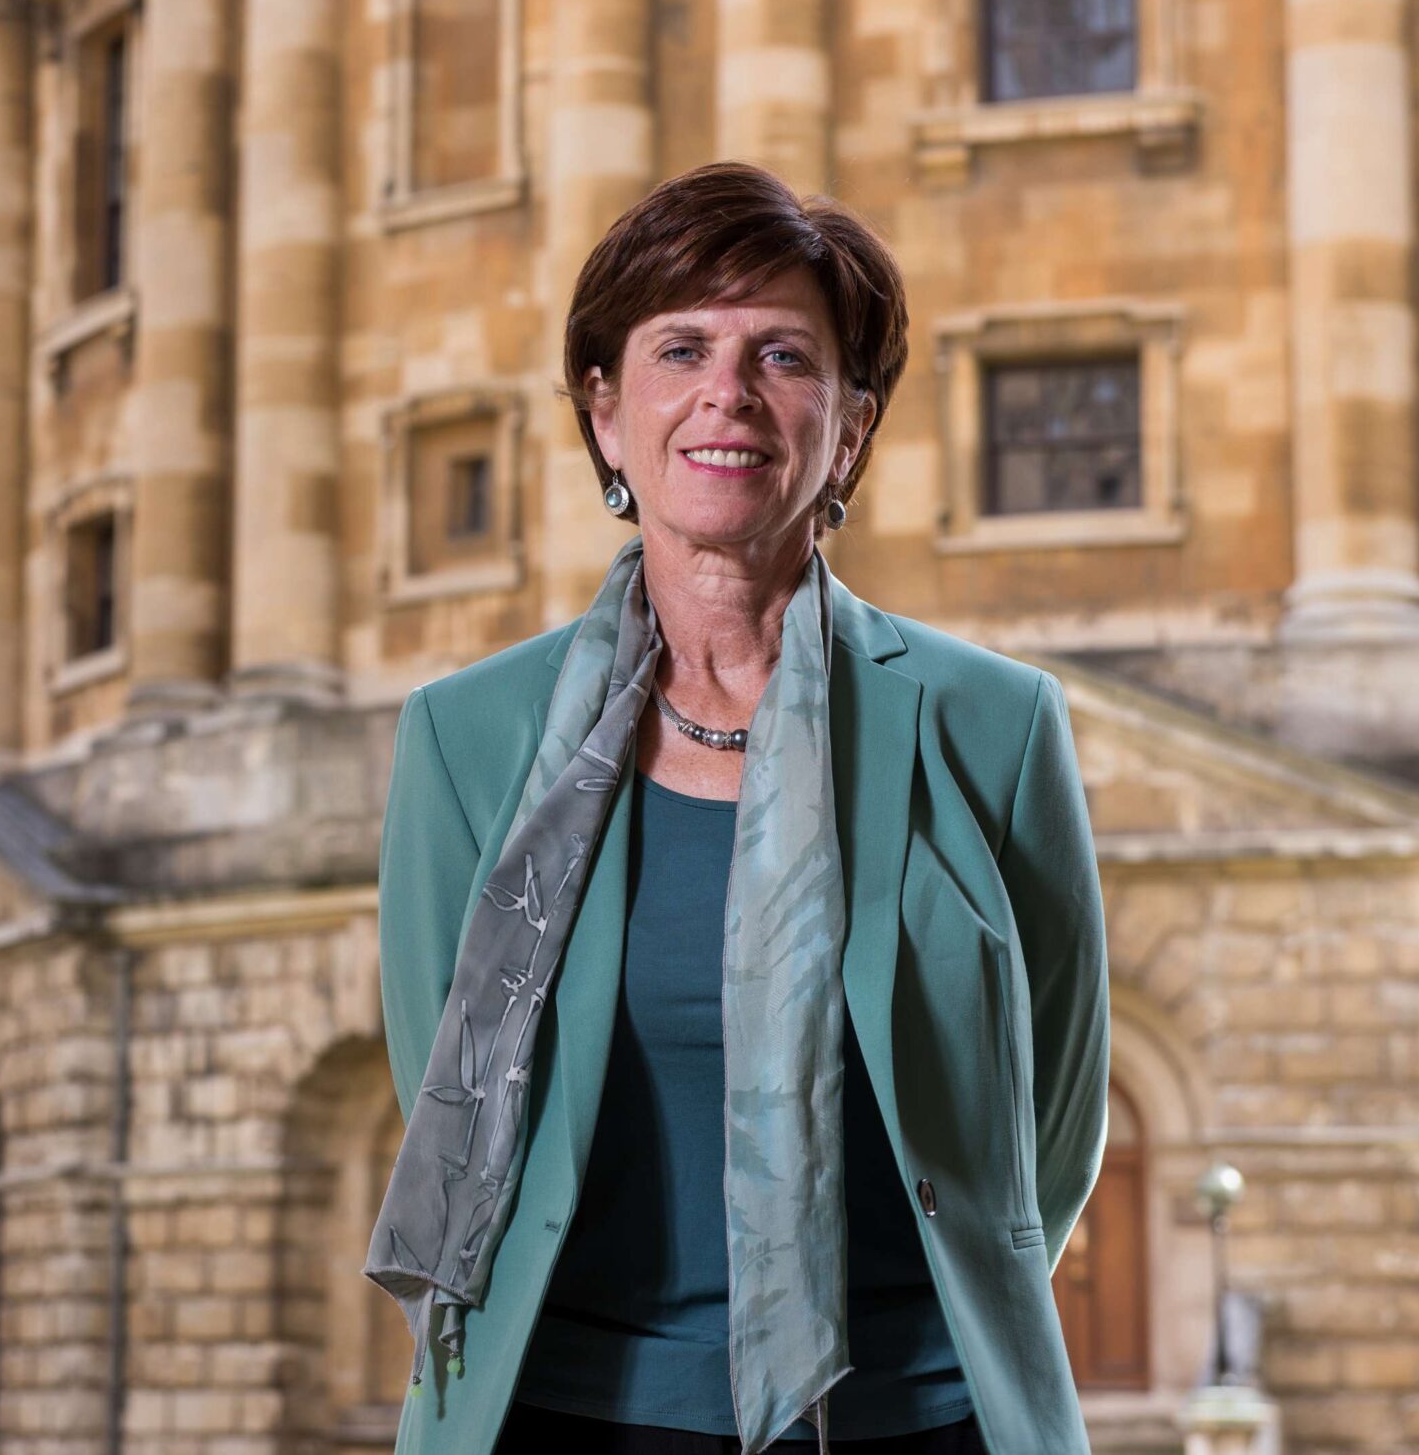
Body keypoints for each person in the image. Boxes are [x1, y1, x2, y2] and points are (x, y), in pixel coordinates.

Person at [364, 163, 1111, 1455]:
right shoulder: (467, 740)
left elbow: (1053, 1125)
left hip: (914, 1421)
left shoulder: (993, 726)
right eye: (680, 348)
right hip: (570, 1416)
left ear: (853, 425)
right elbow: (442, 1069)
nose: (729, 393)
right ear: (606, 413)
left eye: (784, 355)